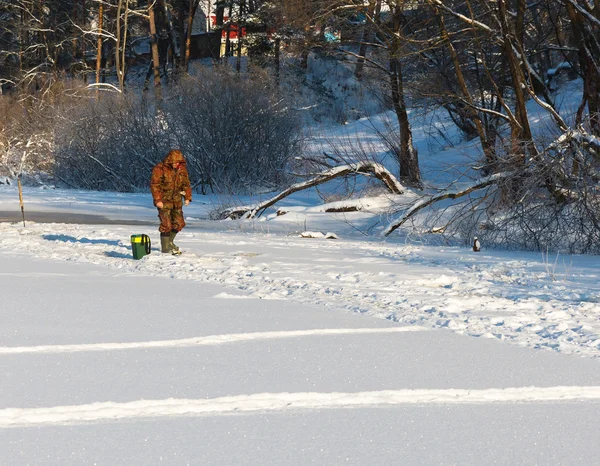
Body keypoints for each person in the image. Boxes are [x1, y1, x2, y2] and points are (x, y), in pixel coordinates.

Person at [150, 149, 192, 254]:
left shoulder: (182, 170)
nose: (175, 164)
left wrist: (187, 197)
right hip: (164, 201)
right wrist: (158, 200)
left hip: (177, 201)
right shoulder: (159, 169)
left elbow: (186, 184)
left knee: (179, 223)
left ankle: (170, 242)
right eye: (174, 162)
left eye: (178, 162)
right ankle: (165, 249)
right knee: (166, 225)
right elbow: (155, 185)